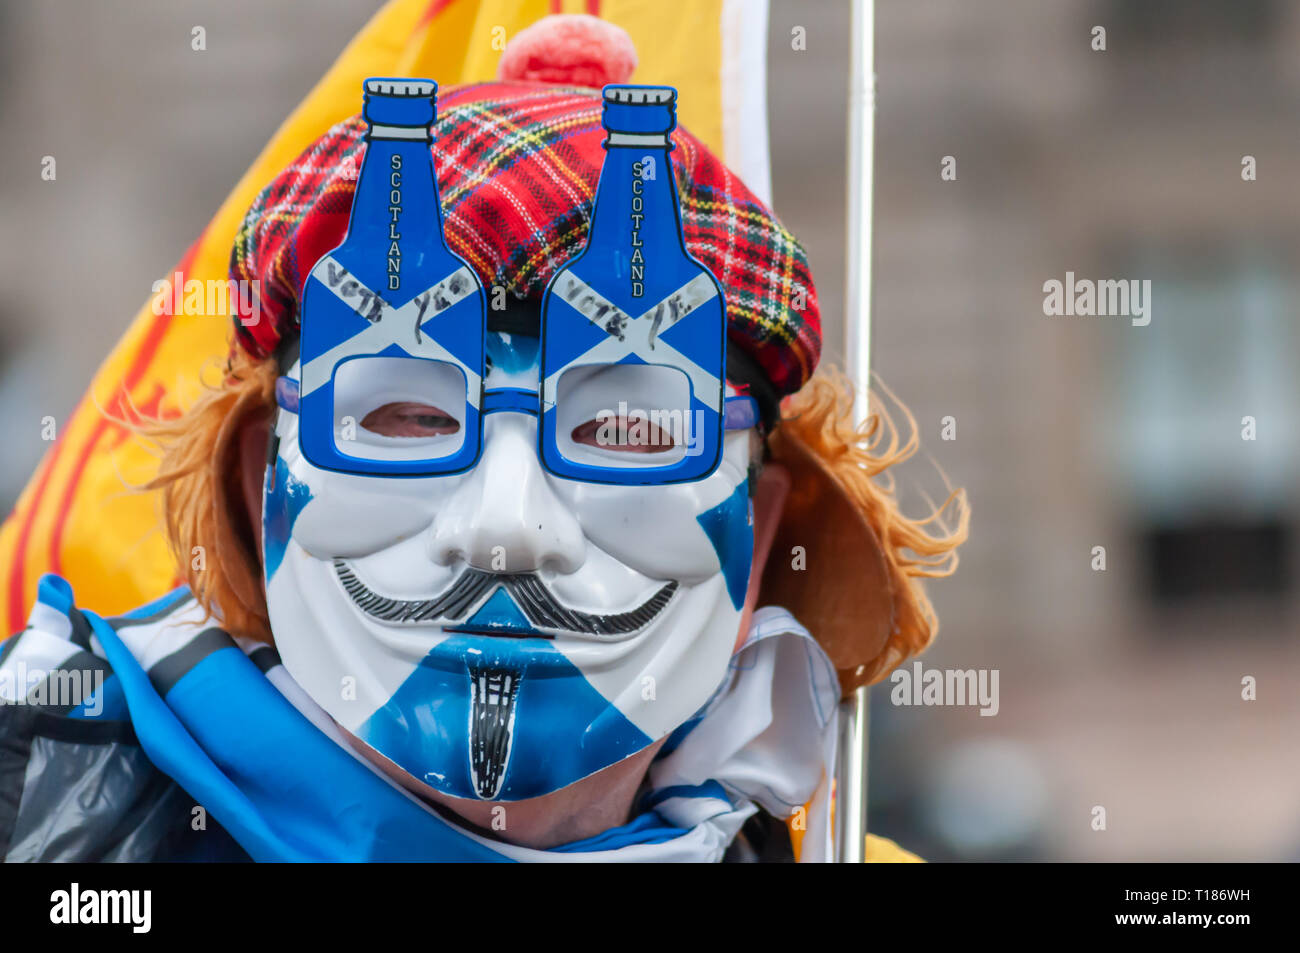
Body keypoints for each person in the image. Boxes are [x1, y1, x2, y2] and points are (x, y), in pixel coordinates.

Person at [0, 17, 966, 863]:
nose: (507, 530)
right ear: (265, 489)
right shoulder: (42, 802)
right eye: (405, 416)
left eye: (626, 428)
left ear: (752, 544)